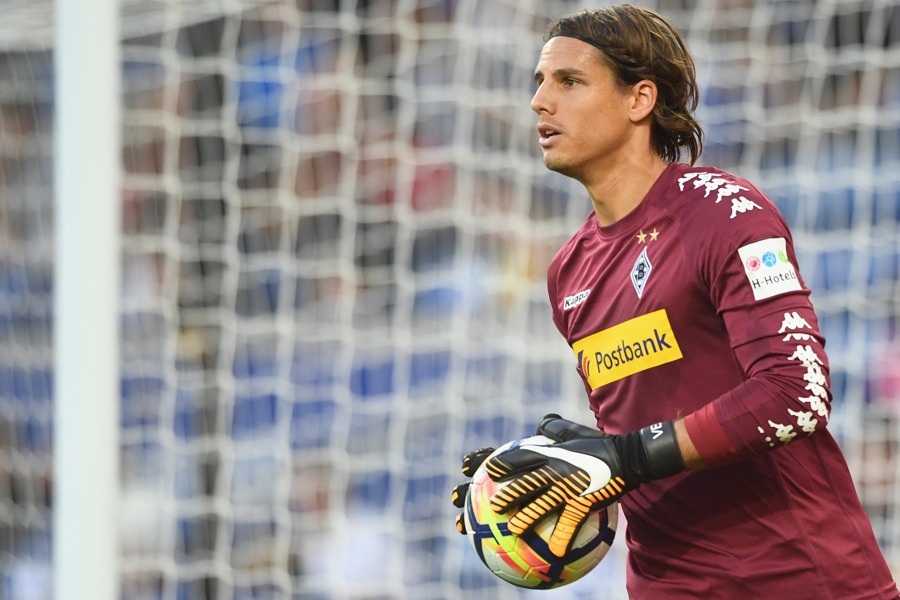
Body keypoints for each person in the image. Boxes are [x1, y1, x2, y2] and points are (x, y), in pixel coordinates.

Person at [451, 4, 900, 598]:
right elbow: (651, 424)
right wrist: (548, 466)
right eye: (539, 82)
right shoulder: (567, 272)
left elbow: (796, 394)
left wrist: (627, 455)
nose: (540, 101)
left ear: (639, 100)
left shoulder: (725, 212)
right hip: (667, 583)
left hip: (800, 577)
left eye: (569, 81)